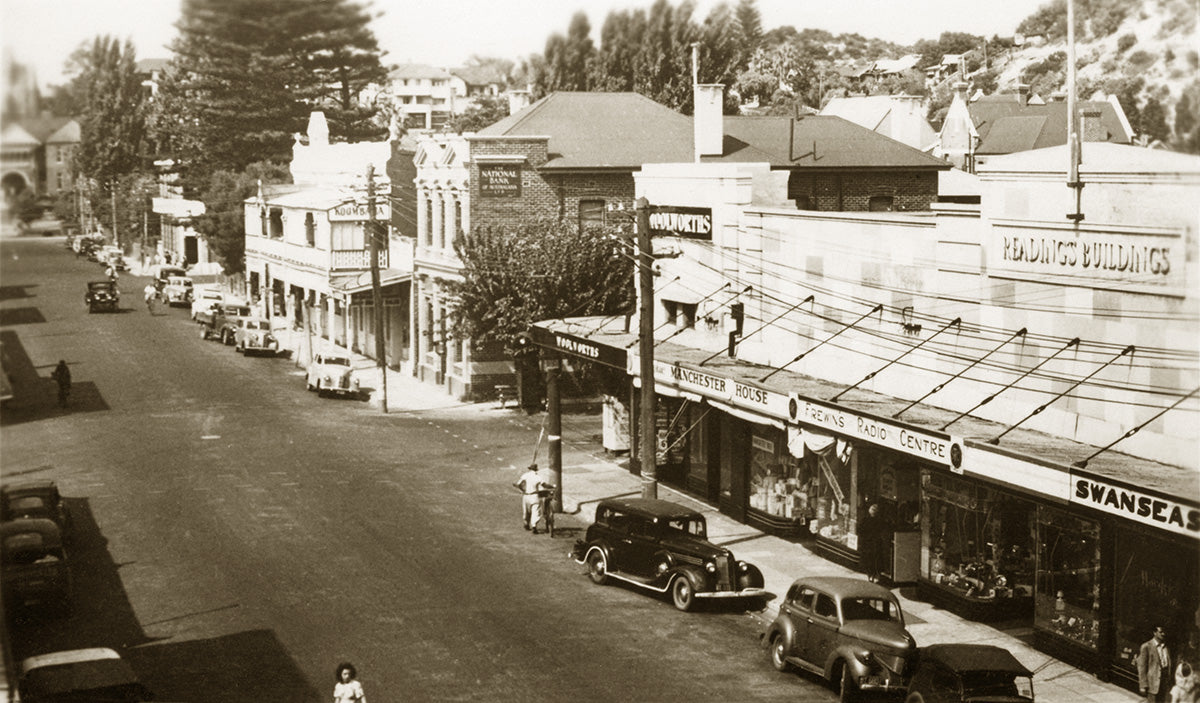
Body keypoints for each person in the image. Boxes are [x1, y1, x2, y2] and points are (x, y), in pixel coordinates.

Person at [514, 463, 553, 534]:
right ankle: (534, 525)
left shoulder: (525, 475)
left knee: (526, 511)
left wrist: (522, 490)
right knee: (535, 511)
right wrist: (552, 486)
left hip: (526, 496)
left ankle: (526, 523)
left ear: (529, 469)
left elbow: (518, 484)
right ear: (536, 469)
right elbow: (544, 485)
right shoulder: (538, 477)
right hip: (535, 496)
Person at [1139, 625, 1174, 703]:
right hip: (1153, 683)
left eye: (1164, 632)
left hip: (1165, 682)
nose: (1163, 634)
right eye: (1161, 632)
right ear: (1154, 633)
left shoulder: (1166, 646)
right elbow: (1142, 667)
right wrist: (1143, 685)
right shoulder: (1146, 646)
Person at [857, 502, 889, 584]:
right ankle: (873, 576)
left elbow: (860, 530)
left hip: (868, 544)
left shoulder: (865, 520)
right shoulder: (880, 521)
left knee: (868, 561)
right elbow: (883, 530)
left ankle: (870, 576)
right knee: (875, 561)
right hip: (875, 544)